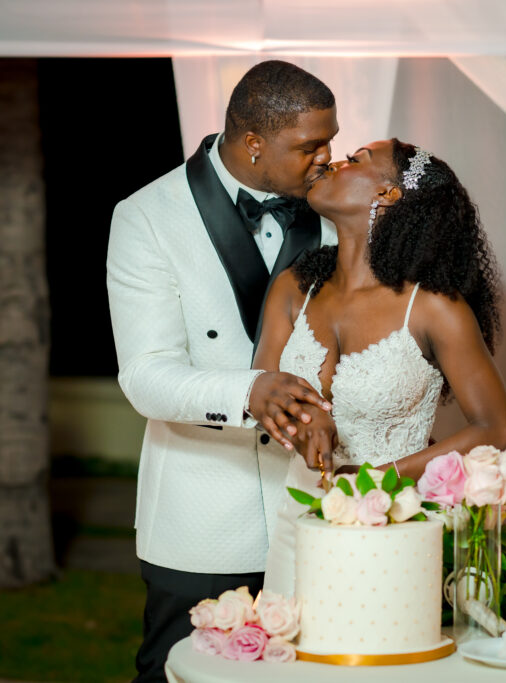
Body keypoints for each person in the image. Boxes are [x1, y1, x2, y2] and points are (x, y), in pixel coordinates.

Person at [106, 60, 340, 682]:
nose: (327, 158)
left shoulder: (337, 213)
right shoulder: (145, 216)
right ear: (253, 142)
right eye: (311, 146)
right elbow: (146, 375)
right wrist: (249, 392)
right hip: (200, 517)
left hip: (317, 511)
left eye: (332, 142)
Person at [254, 138, 506, 596]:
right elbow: (262, 388)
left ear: (386, 195)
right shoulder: (295, 287)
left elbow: (495, 428)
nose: (333, 161)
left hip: (393, 523)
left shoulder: (434, 309)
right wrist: (304, 418)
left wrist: (381, 477)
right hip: (298, 517)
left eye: (356, 160)